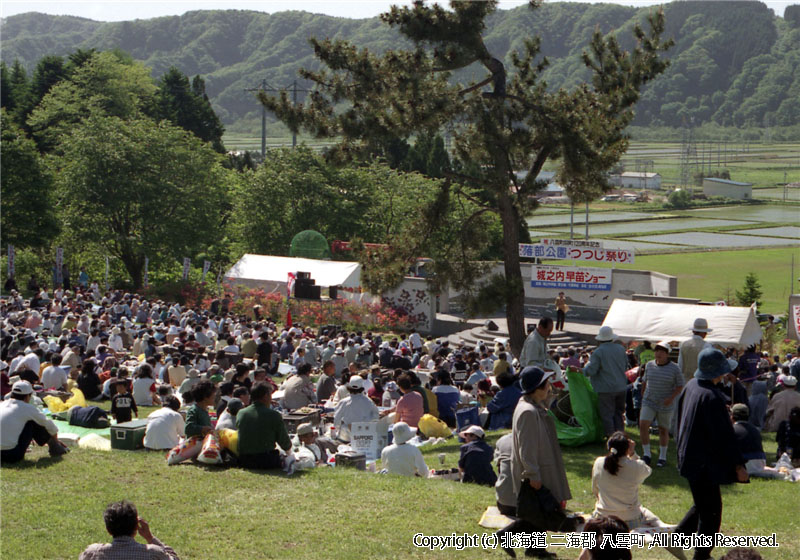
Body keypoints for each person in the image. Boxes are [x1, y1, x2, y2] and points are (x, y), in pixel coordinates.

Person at [675, 348, 749, 560]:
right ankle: (701, 555)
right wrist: (738, 465)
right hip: (703, 462)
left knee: (703, 504)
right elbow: (724, 436)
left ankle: (677, 538)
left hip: (689, 456)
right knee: (711, 513)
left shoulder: (692, 386)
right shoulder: (712, 397)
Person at [497, 367, 570, 559]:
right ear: (538, 387)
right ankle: (507, 535)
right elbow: (526, 447)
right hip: (535, 468)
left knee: (537, 509)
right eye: (546, 384)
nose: (549, 387)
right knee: (540, 509)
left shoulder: (531, 404)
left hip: (538, 465)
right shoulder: (528, 411)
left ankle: (534, 549)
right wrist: (532, 473)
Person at [591, 432, 654, 528]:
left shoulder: (599, 462)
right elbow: (647, 471)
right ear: (628, 448)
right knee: (644, 511)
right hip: (630, 520)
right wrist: (633, 454)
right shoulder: (637, 466)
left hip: (603, 518)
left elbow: (595, 490)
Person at [79, 500, 179, 560]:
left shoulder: (93, 553)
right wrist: (150, 538)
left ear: (108, 529)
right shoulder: (153, 553)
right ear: (136, 527)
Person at [638, 340, 684, 467]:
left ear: (667, 354)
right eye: (657, 351)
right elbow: (645, 381)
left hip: (665, 403)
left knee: (663, 429)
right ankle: (646, 454)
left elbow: (680, 385)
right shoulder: (649, 365)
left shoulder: (675, 368)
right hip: (649, 400)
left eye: (662, 352)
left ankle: (662, 456)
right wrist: (643, 394)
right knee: (643, 424)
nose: (658, 354)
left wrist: (671, 398)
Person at [1, 381, 69, 463]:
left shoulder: (2, 405)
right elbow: (49, 424)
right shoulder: (27, 408)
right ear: (27, 396)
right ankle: (56, 448)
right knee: (33, 423)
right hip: (11, 455)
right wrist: (55, 440)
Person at [583, 326, 629, 437]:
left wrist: (583, 369)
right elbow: (625, 366)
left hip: (606, 388)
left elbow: (592, 371)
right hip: (621, 386)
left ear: (600, 339)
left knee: (607, 415)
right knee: (618, 414)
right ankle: (621, 437)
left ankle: (612, 439)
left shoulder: (598, 352)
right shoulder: (621, 349)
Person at [236, 382, 292, 469]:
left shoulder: (241, 413)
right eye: (270, 395)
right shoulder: (274, 415)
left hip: (245, 460)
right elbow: (285, 443)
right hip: (266, 460)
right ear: (266, 396)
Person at [730, 403, 782, 479]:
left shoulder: (732, 430)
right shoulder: (755, 430)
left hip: (744, 466)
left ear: (732, 416)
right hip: (760, 464)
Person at [333, 376, 379, 441]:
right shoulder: (369, 402)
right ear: (362, 388)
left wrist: (337, 430)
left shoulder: (344, 402)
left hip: (346, 437)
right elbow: (376, 418)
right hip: (363, 437)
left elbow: (336, 419)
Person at [677, 318, 712, 385]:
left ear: (693, 331)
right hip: (700, 382)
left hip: (686, 382)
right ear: (703, 333)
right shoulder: (707, 346)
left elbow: (680, 365)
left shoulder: (683, 344)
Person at [494, 433, 516, 516]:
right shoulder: (539, 440)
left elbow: (500, 469)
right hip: (531, 506)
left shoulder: (502, 440)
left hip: (505, 504)